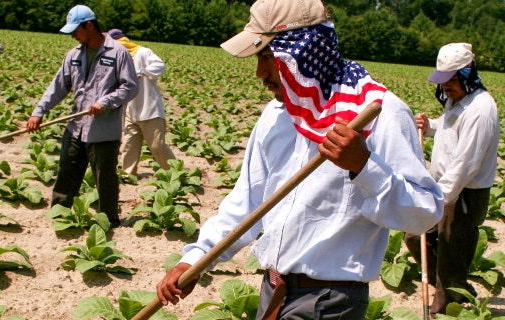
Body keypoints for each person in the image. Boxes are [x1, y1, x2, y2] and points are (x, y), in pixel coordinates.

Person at [156, 0, 444, 318]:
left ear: (303, 53)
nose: (260, 73)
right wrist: (196, 260)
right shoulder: (276, 116)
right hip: (274, 289)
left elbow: (424, 214)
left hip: (330, 301)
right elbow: (245, 204)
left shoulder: (378, 113)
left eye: (269, 57)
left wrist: (363, 166)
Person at [404, 43, 500, 316]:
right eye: (443, 81)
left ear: (469, 75)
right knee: (414, 236)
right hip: (443, 186)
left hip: (463, 193)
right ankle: (452, 285)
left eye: (452, 80)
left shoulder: (481, 109)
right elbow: (450, 130)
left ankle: (444, 305)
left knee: (450, 248)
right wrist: (430, 126)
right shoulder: (456, 100)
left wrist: (435, 200)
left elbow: (465, 165)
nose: (446, 87)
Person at [25, 5, 138, 227]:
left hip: (104, 130)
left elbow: (130, 87)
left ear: (89, 25)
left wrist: (105, 102)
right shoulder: (73, 55)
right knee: (67, 171)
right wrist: (39, 112)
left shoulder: (118, 53)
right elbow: (57, 87)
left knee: (104, 177)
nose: (73, 36)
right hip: (76, 125)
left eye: (75, 31)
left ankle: (109, 220)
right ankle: (58, 215)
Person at [107, 29, 176, 176]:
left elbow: (160, 66)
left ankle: (175, 172)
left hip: (149, 109)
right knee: (128, 144)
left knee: (157, 146)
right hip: (130, 110)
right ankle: (127, 175)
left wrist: (141, 72)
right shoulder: (118, 59)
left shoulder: (143, 53)